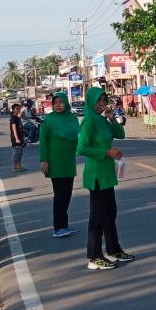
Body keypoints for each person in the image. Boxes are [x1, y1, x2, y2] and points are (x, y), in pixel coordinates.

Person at [79, 87, 131, 270]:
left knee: (110, 214)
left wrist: (111, 118)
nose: (102, 104)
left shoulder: (102, 120)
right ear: (91, 102)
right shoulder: (88, 122)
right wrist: (106, 152)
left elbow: (121, 134)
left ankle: (114, 250)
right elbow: (82, 148)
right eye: (99, 101)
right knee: (97, 217)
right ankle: (94, 256)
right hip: (96, 175)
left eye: (104, 100)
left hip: (107, 174)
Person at [40, 92, 80, 238]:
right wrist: (44, 160)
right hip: (55, 163)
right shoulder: (49, 120)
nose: (57, 105)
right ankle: (58, 228)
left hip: (69, 162)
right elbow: (43, 141)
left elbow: (79, 136)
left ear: (66, 103)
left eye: (60, 102)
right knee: (60, 196)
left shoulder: (72, 118)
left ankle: (64, 224)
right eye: (55, 102)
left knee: (67, 195)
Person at [10, 102, 28, 172]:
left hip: (20, 138)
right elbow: (14, 128)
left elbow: (20, 128)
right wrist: (16, 138)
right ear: (13, 110)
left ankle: (19, 166)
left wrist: (23, 138)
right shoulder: (13, 118)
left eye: (19, 109)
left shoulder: (18, 118)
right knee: (16, 153)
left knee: (20, 153)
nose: (19, 110)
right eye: (17, 109)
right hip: (15, 139)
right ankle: (14, 167)